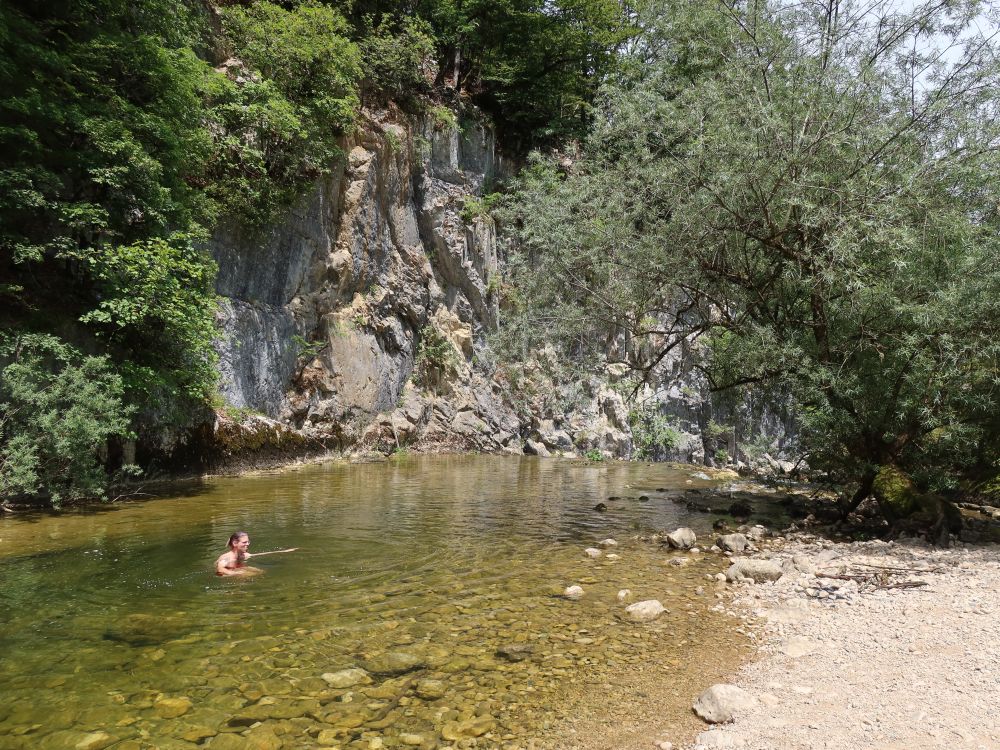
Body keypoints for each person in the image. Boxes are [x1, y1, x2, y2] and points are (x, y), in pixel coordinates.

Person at [215, 531, 298, 576]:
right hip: (223, 573)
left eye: (248, 542)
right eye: (244, 542)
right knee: (251, 574)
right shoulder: (226, 557)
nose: (247, 544)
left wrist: (283, 551)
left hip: (237, 568)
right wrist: (235, 573)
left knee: (261, 572)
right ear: (235, 543)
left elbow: (260, 554)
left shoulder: (243, 555)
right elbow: (220, 569)